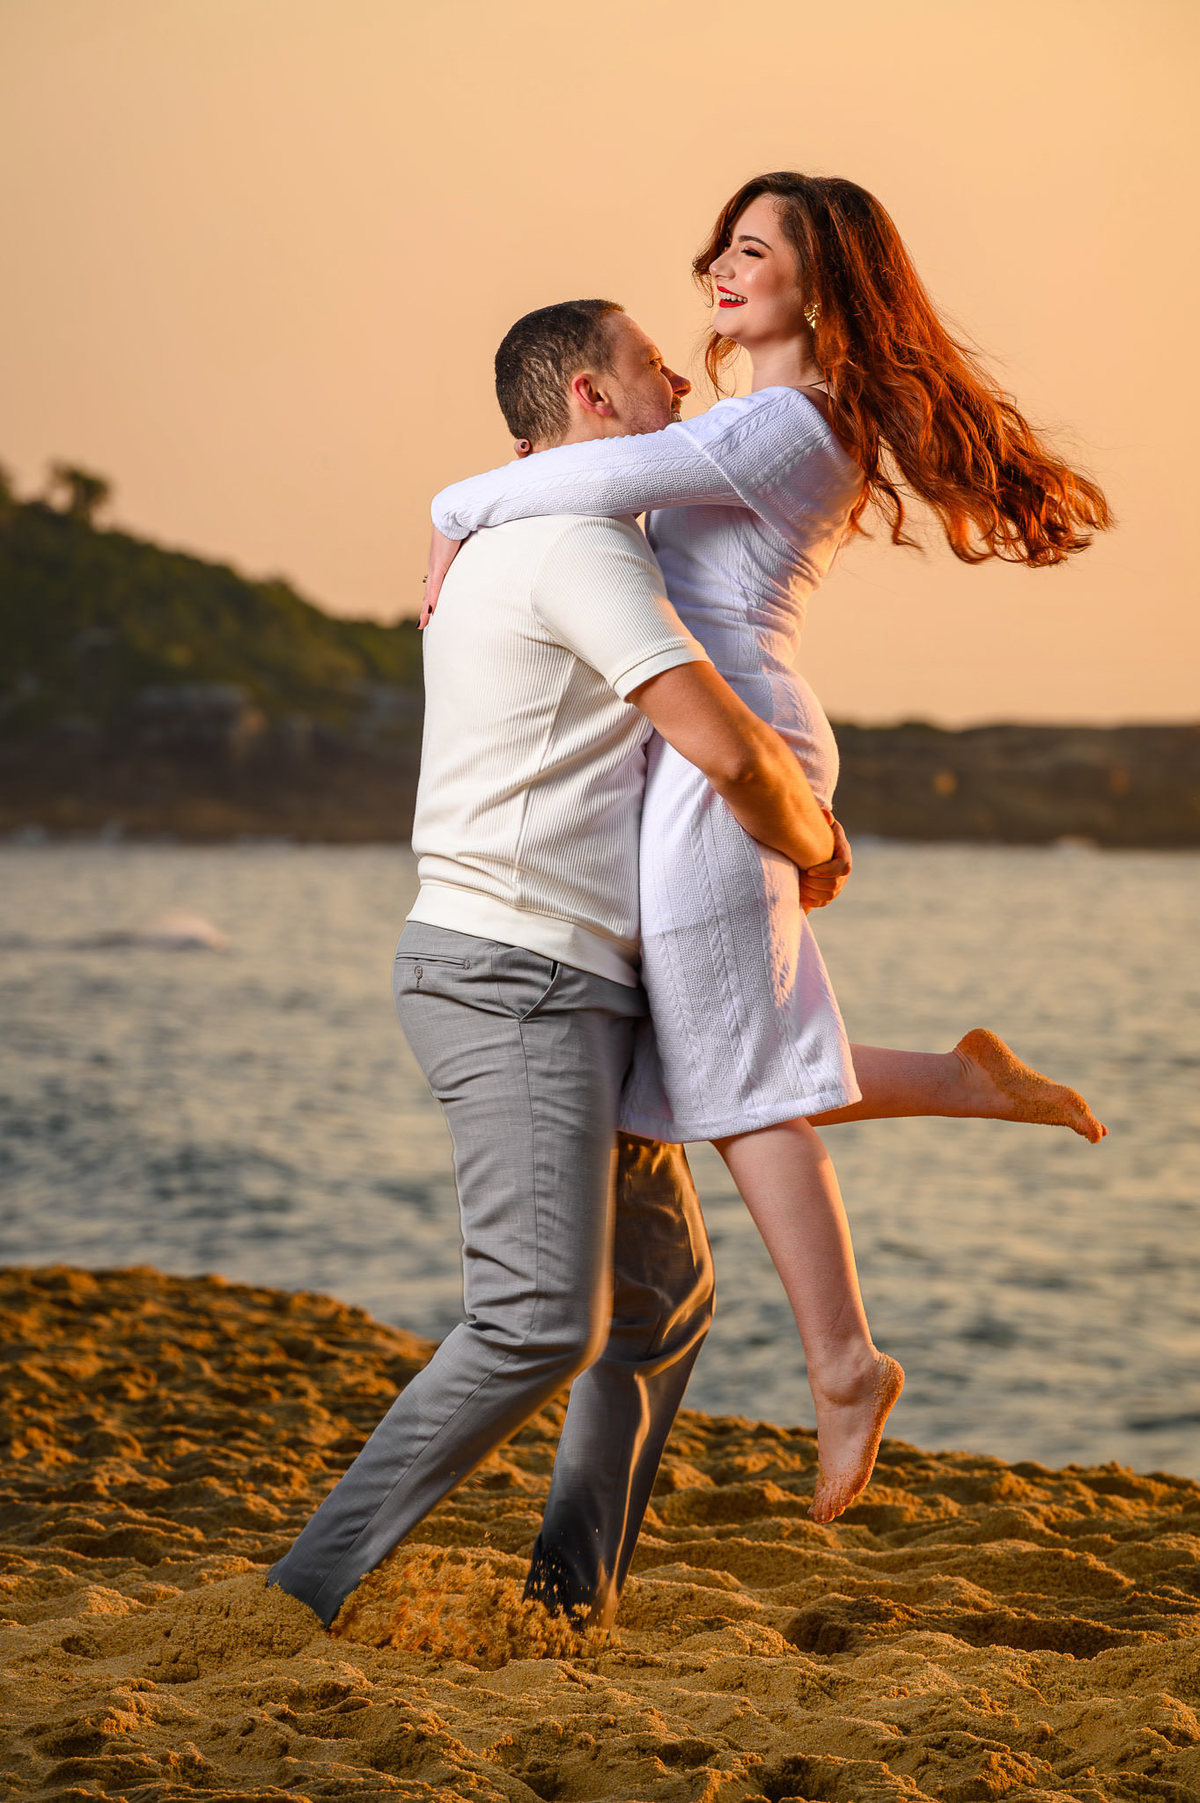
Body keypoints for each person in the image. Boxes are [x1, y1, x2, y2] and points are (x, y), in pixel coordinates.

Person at [425, 172, 1112, 1524]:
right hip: (704, 741)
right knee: (709, 1059)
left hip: (733, 747)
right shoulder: (756, 419)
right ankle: (966, 1081)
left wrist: (454, 514)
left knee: (734, 1085)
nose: (723, 272)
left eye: (758, 252)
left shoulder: (787, 425)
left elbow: (578, 474)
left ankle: (846, 1366)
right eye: (724, 248)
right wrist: (487, 508)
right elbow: (578, 483)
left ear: (824, 283)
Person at [267, 298, 848, 1634]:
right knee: (539, 1323)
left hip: (564, 982)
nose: (683, 387)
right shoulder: (577, 545)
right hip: (516, 976)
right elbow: (721, 743)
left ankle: (562, 1604)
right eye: (656, 367)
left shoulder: (526, 527)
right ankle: (303, 1598)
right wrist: (814, 840)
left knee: (661, 1310)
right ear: (593, 397)